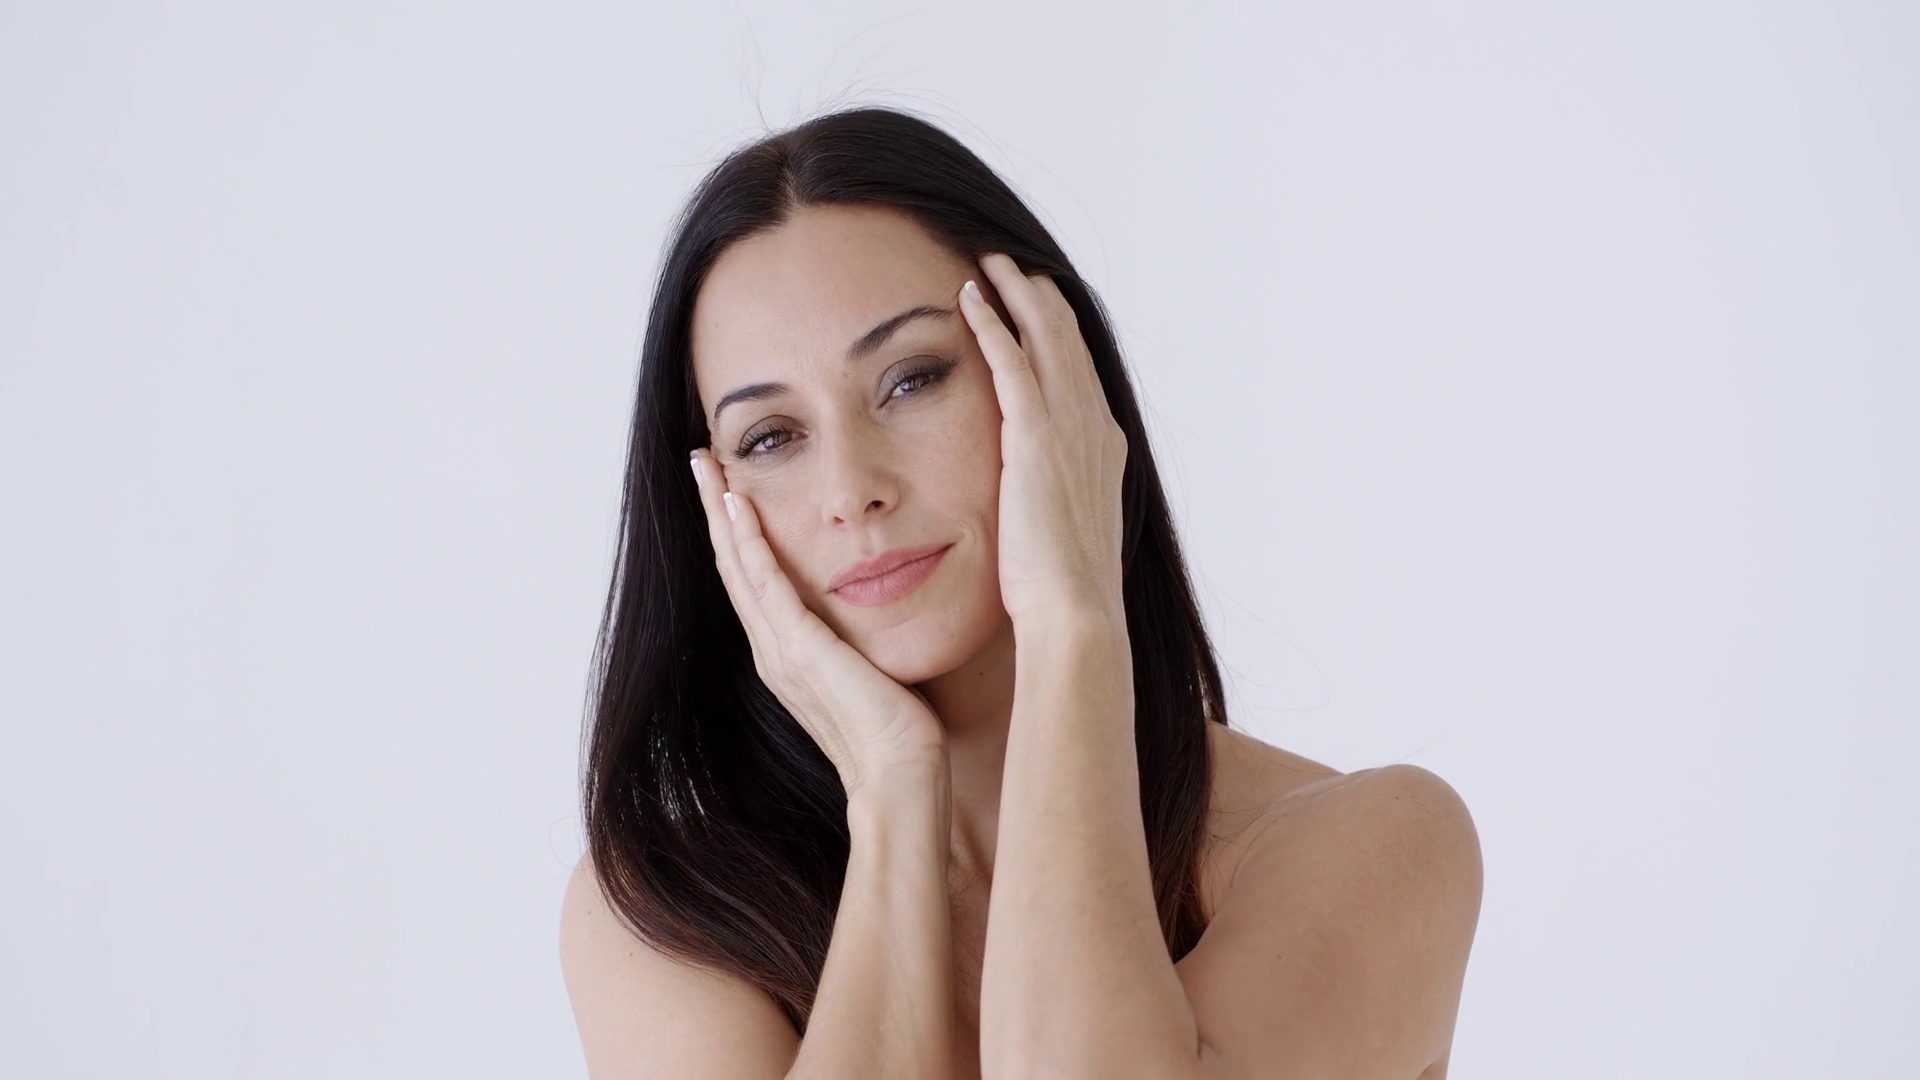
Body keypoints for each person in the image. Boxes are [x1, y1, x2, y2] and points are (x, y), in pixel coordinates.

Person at [559, 106, 1482, 1080]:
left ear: (1058, 380)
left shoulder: (1368, 843)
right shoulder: (662, 919)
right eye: (771, 438)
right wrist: (891, 791)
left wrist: (1071, 621)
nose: (850, 491)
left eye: (912, 380)